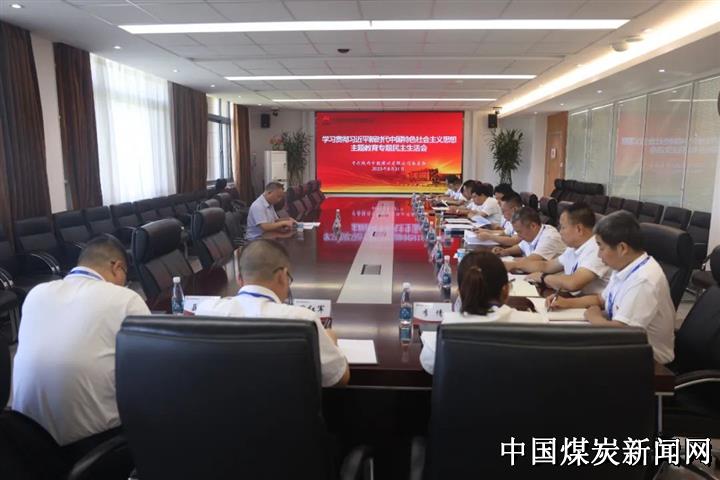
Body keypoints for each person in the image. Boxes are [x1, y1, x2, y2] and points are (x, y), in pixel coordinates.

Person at [12, 235, 150, 461]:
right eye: (125, 275)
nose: (125, 283)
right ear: (117, 267)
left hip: (24, 441)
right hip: (93, 447)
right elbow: (150, 373)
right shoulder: (126, 299)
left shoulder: (36, 293)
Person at [196, 239, 350, 386]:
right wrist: (331, 341)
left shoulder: (205, 311)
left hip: (219, 404)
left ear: (239, 279)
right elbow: (339, 378)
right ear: (282, 276)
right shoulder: (302, 320)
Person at [547, 211, 675, 364]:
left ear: (622, 248)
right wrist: (567, 303)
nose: (599, 255)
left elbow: (621, 334)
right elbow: (600, 299)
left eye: (601, 248)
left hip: (648, 361)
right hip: (624, 347)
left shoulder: (644, 280)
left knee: (564, 359)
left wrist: (593, 316)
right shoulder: (624, 267)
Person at [419, 252, 544, 374]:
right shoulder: (538, 327)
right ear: (506, 290)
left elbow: (429, 366)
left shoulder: (441, 338)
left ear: (460, 293)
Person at [520, 202, 611, 295]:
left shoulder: (597, 249)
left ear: (579, 229)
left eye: (563, 227)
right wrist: (515, 265)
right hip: (573, 298)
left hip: (588, 302)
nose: (560, 232)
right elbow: (546, 266)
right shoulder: (574, 246)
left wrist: (543, 277)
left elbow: (573, 283)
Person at [494, 207, 566, 269]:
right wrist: (505, 251)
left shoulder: (550, 237)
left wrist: (509, 264)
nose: (518, 235)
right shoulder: (531, 234)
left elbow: (532, 260)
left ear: (533, 226)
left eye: (519, 232)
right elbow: (521, 247)